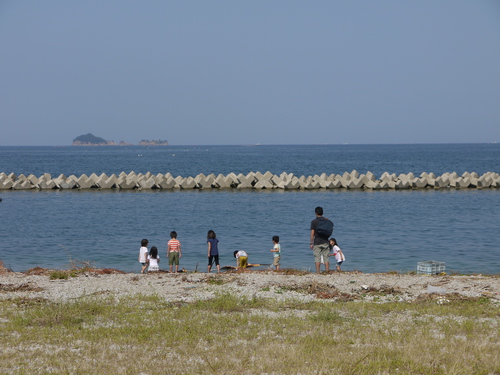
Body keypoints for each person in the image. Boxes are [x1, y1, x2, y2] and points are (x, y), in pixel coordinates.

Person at [310, 206, 333, 273]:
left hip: (317, 242)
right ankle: (327, 271)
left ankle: (318, 272)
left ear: (315, 213)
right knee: (326, 258)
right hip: (326, 241)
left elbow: (312, 233)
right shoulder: (326, 221)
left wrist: (311, 242)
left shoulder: (314, 222)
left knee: (317, 258)